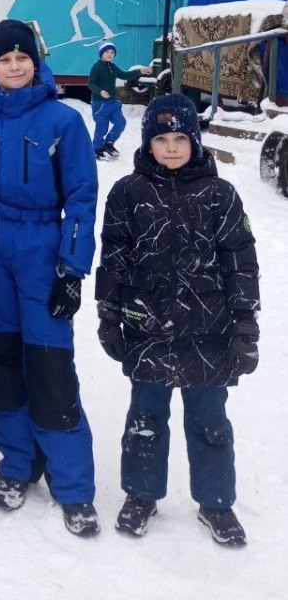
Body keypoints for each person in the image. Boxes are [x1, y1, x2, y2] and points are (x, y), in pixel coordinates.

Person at [0, 19, 101, 537]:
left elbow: (81, 197)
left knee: (50, 363)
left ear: (35, 63)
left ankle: (72, 485)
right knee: (3, 360)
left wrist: (72, 268)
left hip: (40, 247)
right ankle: (17, 464)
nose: (13, 66)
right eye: (4, 60)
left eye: (22, 58)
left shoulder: (64, 121)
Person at [95, 93, 260, 546]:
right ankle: (141, 494)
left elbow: (241, 262)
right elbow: (113, 258)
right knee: (145, 418)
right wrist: (109, 314)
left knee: (210, 422)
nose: (170, 147)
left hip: (209, 329)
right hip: (146, 326)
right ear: (148, 143)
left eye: (180, 139)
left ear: (195, 142)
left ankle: (216, 502)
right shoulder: (127, 193)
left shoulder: (220, 195)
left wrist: (245, 325)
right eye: (161, 139)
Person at [88, 42, 152, 160]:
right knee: (102, 127)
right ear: (101, 53)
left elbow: (124, 75)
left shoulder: (113, 67)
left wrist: (140, 71)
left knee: (120, 122)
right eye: (107, 51)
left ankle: (109, 143)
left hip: (113, 102)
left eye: (112, 52)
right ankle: (96, 150)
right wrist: (100, 91)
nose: (110, 54)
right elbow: (91, 83)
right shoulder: (97, 67)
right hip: (100, 104)